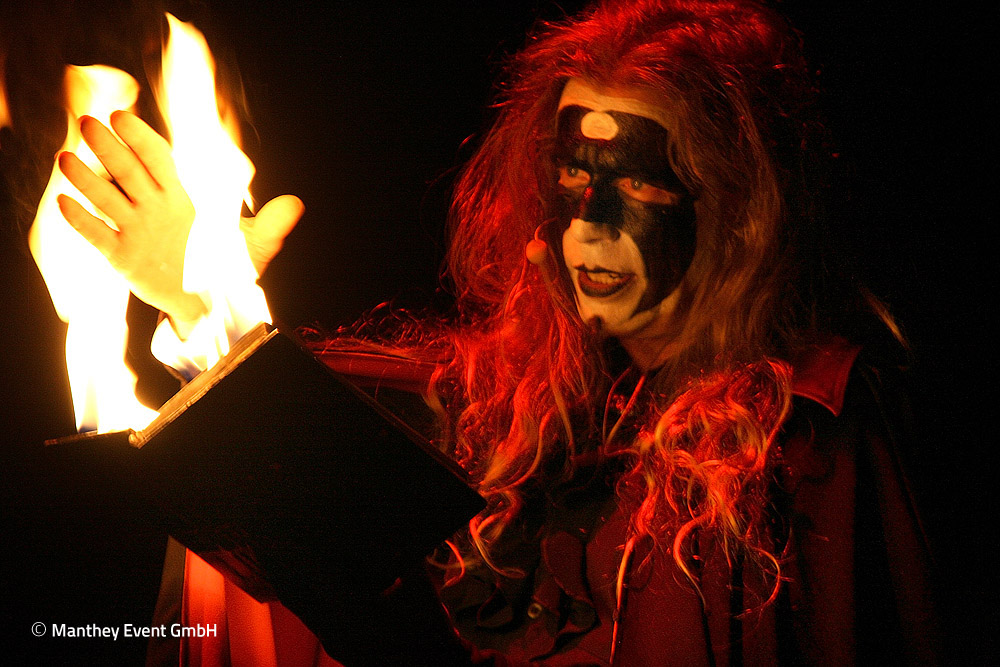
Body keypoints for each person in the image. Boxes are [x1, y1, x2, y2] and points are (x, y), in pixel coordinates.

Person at [55, 0, 938, 664]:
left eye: (637, 184)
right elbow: (323, 463)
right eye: (571, 174)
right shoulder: (529, 400)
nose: (586, 220)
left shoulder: (812, 432)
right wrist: (203, 292)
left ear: (741, 211)